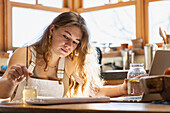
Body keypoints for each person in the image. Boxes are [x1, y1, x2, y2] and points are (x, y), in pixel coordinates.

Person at [0, 11, 129, 102]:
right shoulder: (25, 54)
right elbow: (2, 93)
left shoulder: (69, 62)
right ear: (52, 30)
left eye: (75, 42)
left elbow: (93, 92)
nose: (68, 45)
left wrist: (122, 89)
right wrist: (11, 82)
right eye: (65, 36)